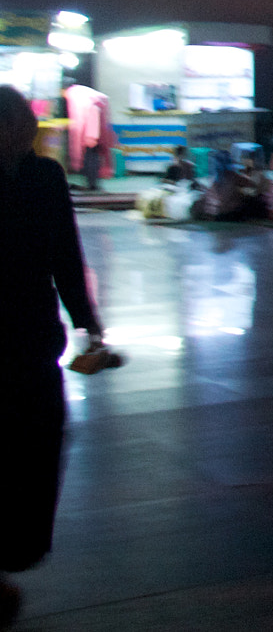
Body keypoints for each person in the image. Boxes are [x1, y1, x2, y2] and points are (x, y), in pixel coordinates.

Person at [2, 86, 108, 625]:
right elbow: (65, 253)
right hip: (27, 342)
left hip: (20, 342)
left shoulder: (43, 178)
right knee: (28, 454)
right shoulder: (42, 178)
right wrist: (88, 320)